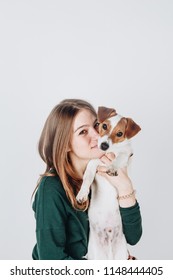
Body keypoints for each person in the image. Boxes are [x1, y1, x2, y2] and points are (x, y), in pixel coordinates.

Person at [32, 98, 142, 260]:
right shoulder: (51, 188)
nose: (98, 136)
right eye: (83, 132)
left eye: (97, 125)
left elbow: (133, 237)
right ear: (65, 144)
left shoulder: (101, 176)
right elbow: (51, 261)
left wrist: (125, 187)